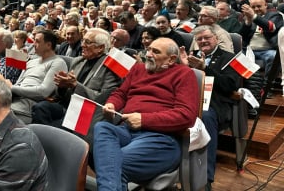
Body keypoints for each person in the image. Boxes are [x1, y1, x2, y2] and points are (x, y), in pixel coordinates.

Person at [93, 38, 199, 190]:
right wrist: (112, 104)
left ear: (171, 59)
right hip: (127, 130)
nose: (148, 54)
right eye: (148, 49)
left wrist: (144, 119)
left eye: (155, 52)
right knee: (102, 127)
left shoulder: (184, 74)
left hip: (161, 138)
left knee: (112, 164)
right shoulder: (138, 69)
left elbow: (186, 115)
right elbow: (121, 93)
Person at [180, 25, 240, 190]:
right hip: (188, 100)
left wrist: (205, 68)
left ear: (217, 39)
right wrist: (183, 66)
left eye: (207, 37)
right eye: (199, 39)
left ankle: (204, 179)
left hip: (215, 104)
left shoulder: (229, 57)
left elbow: (230, 85)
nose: (203, 41)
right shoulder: (191, 57)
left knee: (204, 116)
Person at [32, 28, 122, 130]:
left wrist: (75, 85)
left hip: (85, 112)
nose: (82, 45)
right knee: (40, 108)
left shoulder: (111, 67)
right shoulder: (77, 61)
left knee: (54, 128)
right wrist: (62, 86)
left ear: (100, 48)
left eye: (87, 42)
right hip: (66, 105)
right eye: (83, 40)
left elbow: (102, 98)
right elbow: (59, 95)